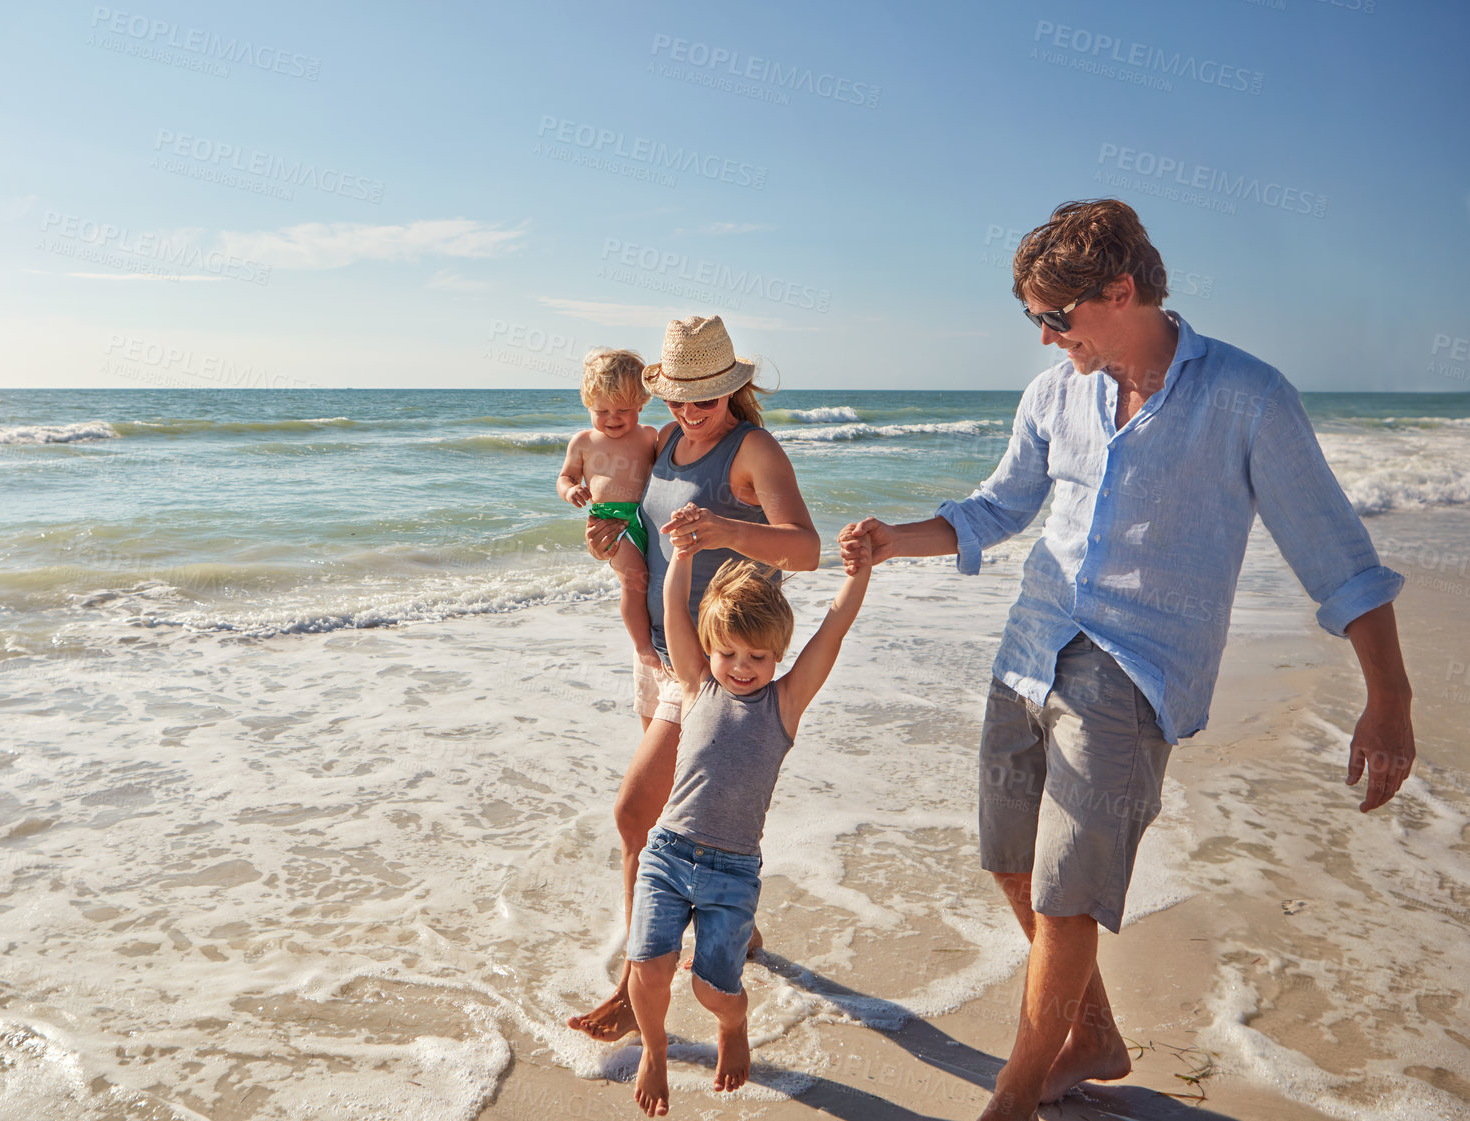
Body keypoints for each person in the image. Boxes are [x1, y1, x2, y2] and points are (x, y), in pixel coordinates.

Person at [838, 198, 1415, 1121]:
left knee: (1067, 894)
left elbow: (1338, 558)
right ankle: (1093, 1037)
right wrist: (890, 540)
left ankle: (1015, 1095)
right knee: (1012, 866)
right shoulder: (1051, 395)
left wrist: (1388, 699)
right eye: (1034, 318)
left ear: (1119, 291)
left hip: (1135, 666)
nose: (1042, 338)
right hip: (1030, 645)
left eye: (1054, 318)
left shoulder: (1249, 397)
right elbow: (997, 507)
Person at [567, 315, 820, 1042]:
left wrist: (727, 530)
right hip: (658, 652)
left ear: (733, 391)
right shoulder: (668, 442)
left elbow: (803, 548)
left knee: (635, 818)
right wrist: (608, 540)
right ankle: (736, 934)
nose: (685, 412)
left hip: (714, 668)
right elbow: (651, 527)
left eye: (701, 400)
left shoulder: (753, 450)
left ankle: (631, 984)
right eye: (675, 398)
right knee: (683, 817)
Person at [627, 512, 871, 1116]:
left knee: (715, 989)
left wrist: (858, 573)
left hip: (733, 870)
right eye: (729, 652)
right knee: (649, 966)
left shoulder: (785, 703)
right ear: (710, 650)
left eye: (758, 656)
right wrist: (680, 553)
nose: (741, 665)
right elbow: (676, 610)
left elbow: (833, 630)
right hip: (667, 852)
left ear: (777, 655)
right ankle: (654, 1050)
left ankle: (732, 1028)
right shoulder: (695, 685)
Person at [557, 349, 663, 668]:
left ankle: (661, 635)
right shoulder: (584, 441)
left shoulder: (649, 436)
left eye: (623, 410)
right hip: (613, 522)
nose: (612, 418)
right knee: (634, 578)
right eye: (601, 410)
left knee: (656, 581)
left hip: (648, 519)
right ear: (588, 405)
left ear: (642, 404)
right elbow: (565, 476)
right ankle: (643, 646)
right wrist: (571, 490)